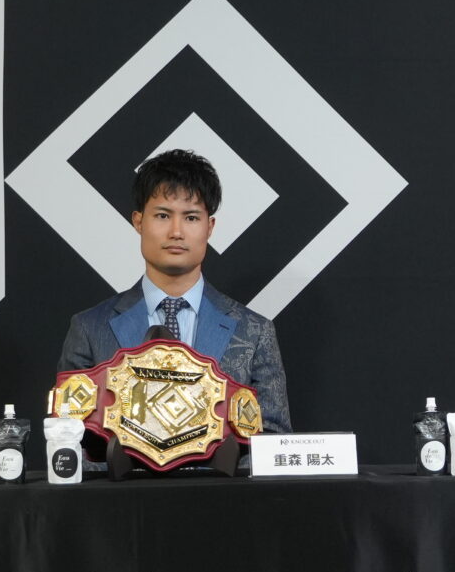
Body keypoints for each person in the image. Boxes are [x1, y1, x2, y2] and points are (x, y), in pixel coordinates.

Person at [57, 148, 291, 434]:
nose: (176, 232)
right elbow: (68, 438)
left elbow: (272, 441)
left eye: (191, 218)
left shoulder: (255, 332)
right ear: (138, 221)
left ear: (209, 227)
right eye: (163, 215)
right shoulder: (90, 329)